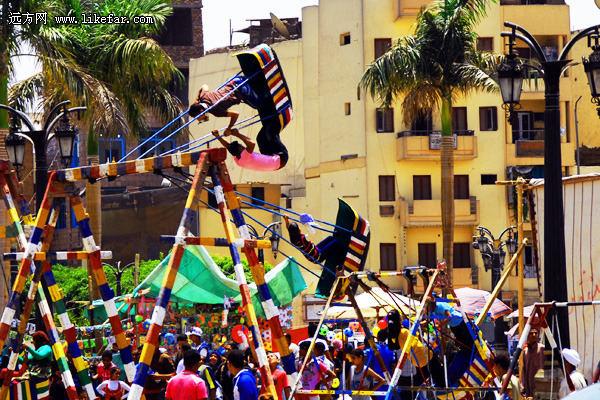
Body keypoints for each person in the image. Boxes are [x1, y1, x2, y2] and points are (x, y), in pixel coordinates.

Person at [212, 129, 286, 171]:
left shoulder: (238, 159)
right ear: (240, 148)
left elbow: (228, 146)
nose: (242, 146)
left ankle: (267, 124)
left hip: (273, 162)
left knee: (260, 138)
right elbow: (252, 144)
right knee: (270, 132)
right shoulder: (245, 156)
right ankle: (275, 121)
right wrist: (237, 134)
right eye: (241, 146)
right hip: (281, 158)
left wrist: (217, 136)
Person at [521, 327, 545, 400]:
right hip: (529, 384)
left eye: (536, 333)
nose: (534, 335)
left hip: (541, 384)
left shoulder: (542, 348)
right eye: (531, 333)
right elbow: (523, 369)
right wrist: (522, 386)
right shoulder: (525, 351)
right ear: (528, 336)